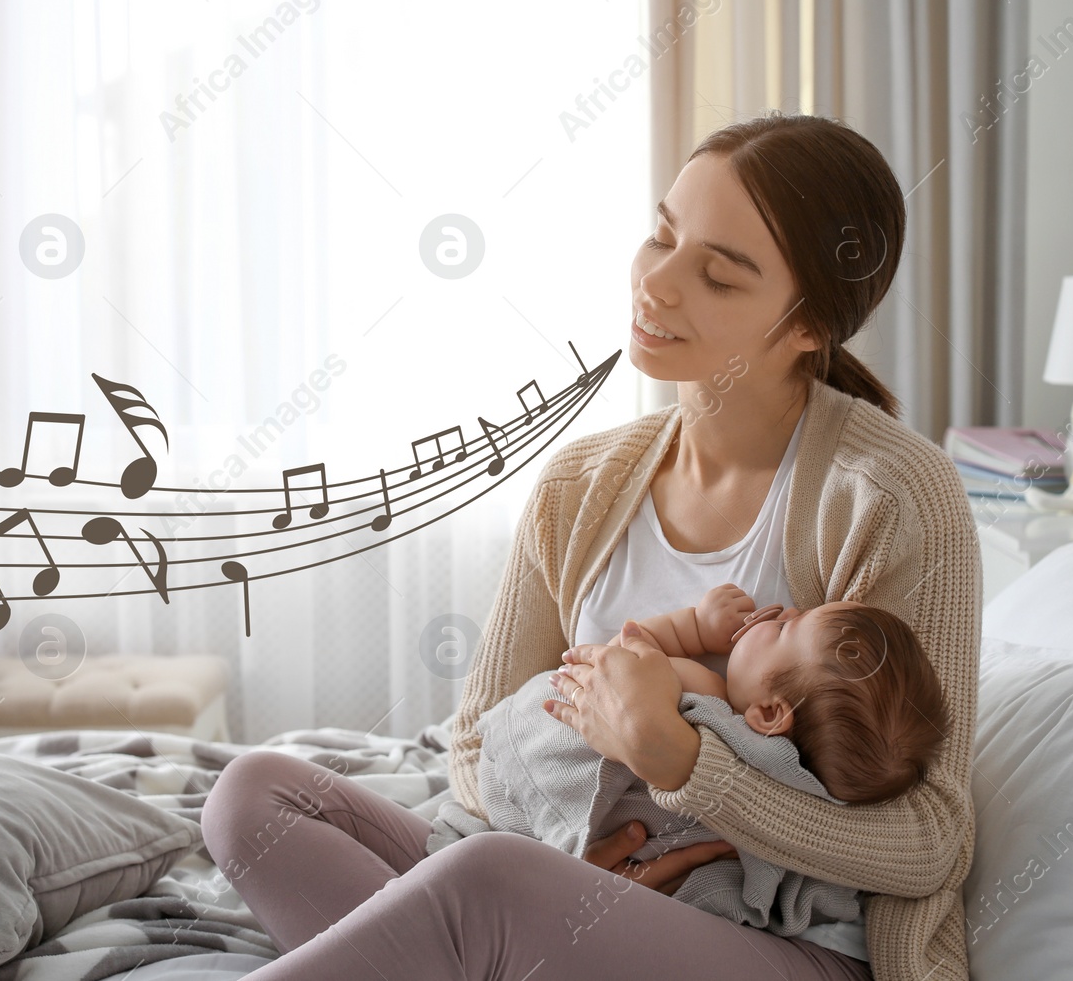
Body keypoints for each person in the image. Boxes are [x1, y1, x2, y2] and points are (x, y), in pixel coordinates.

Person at [200, 111, 982, 981]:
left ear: (807, 327)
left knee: (488, 880)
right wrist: (574, 865)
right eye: (662, 236)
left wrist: (679, 763)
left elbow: (929, 844)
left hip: (779, 940)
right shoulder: (583, 481)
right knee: (251, 797)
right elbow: (471, 749)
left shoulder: (891, 495)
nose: (659, 285)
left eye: (719, 277)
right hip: (563, 871)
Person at [592, 584, 953, 806]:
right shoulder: (778, 779)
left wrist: (696, 628)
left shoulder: (704, 693)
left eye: (783, 629)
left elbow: (615, 666)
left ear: (767, 713)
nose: (789, 608)